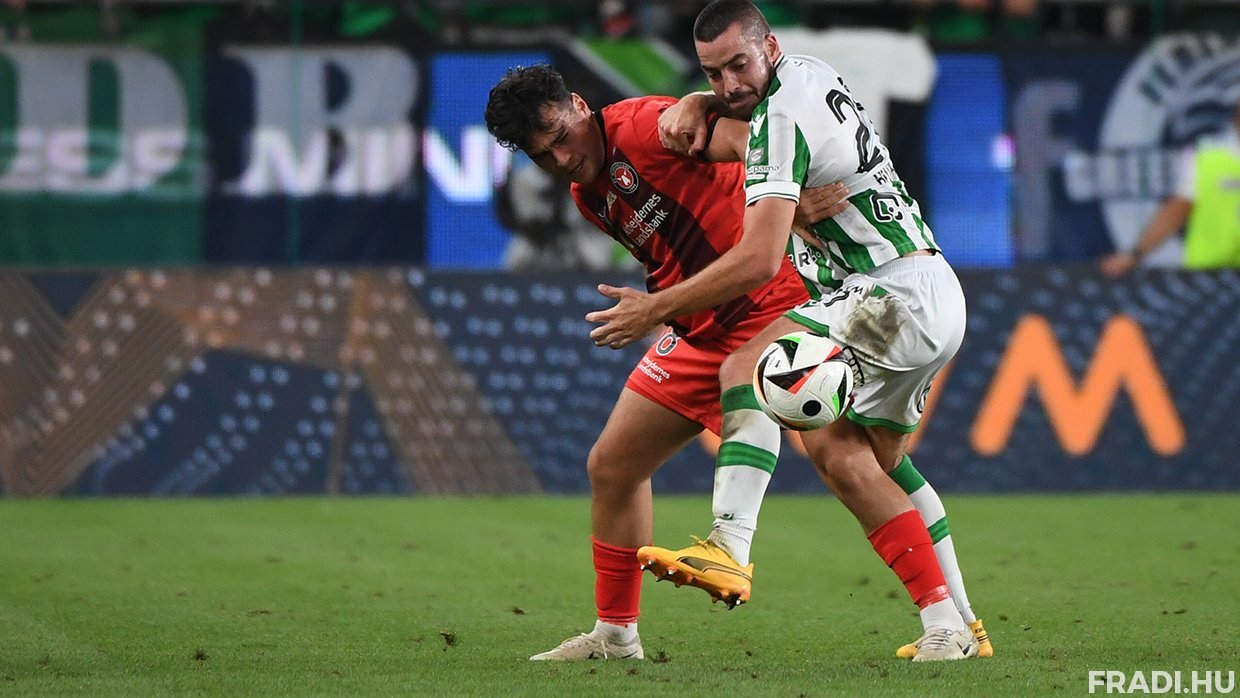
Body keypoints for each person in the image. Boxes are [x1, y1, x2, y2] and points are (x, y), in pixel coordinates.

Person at [585, 0, 991, 661]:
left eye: (738, 65)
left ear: (768, 46)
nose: (729, 84)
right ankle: (957, 624)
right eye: (713, 73)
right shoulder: (808, 71)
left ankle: (729, 546)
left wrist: (654, 308)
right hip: (931, 290)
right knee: (868, 461)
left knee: (746, 368)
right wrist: (702, 101)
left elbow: (757, 260)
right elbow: (755, 116)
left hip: (886, 293)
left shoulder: (778, 118)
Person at [484, 64, 850, 661]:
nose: (561, 158)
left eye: (561, 136)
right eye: (541, 154)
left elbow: (752, 139)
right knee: (612, 466)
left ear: (579, 104)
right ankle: (615, 636)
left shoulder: (650, 126)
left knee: (854, 463)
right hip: (700, 326)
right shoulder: (587, 192)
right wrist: (664, 309)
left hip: (767, 305)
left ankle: (948, 616)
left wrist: (790, 196)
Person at [1100, 102, 1240, 276]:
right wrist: (1135, 254)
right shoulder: (1208, 155)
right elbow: (1176, 210)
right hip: (1211, 273)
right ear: (1236, 117)